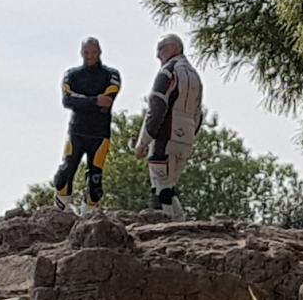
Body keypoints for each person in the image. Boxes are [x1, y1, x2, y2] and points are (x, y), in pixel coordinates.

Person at [51, 36, 124, 205]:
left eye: (93, 52)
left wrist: (82, 101)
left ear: (100, 52)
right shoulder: (71, 74)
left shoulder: (111, 74)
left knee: (95, 182)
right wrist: (95, 101)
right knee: (64, 176)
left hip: (100, 135)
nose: (90, 56)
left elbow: (107, 100)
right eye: (86, 52)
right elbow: (67, 101)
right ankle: (61, 208)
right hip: (76, 133)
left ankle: (90, 212)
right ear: (81, 53)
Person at [138, 33, 205, 208]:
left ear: (174, 48)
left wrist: (143, 141)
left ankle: (165, 220)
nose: (157, 55)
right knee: (170, 186)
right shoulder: (195, 76)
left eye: (161, 49)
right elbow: (199, 112)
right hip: (187, 137)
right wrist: (191, 135)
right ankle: (179, 219)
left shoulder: (168, 71)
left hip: (166, 136)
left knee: (160, 188)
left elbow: (157, 107)